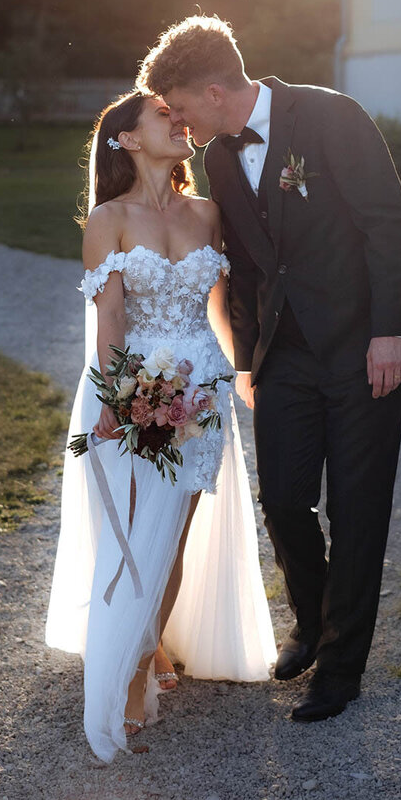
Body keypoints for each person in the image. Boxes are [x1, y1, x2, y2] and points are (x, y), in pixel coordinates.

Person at [138, 16, 401, 723]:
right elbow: (242, 268)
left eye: (180, 109)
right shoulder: (216, 159)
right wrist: (247, 360)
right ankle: (311, 618)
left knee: (357, 510)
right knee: (285, 500)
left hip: (367, 347)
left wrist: (389, 330)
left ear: (213, 91)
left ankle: (341, 668)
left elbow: (386, 223)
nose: (178, 123)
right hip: (286, 358)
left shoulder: (332, 115)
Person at [45, 89, 276, 763]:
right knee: (135, 535)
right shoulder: (107, 221)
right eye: (163, 118)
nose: (180, 125)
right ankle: (130, 667)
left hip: (201, 385)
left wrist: (242, 372)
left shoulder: (208, 213)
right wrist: (119, 401)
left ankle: (148, 652)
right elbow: (109, 322)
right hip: (135, 388)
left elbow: (224, 307)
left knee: (172, 537)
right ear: (129, 139)